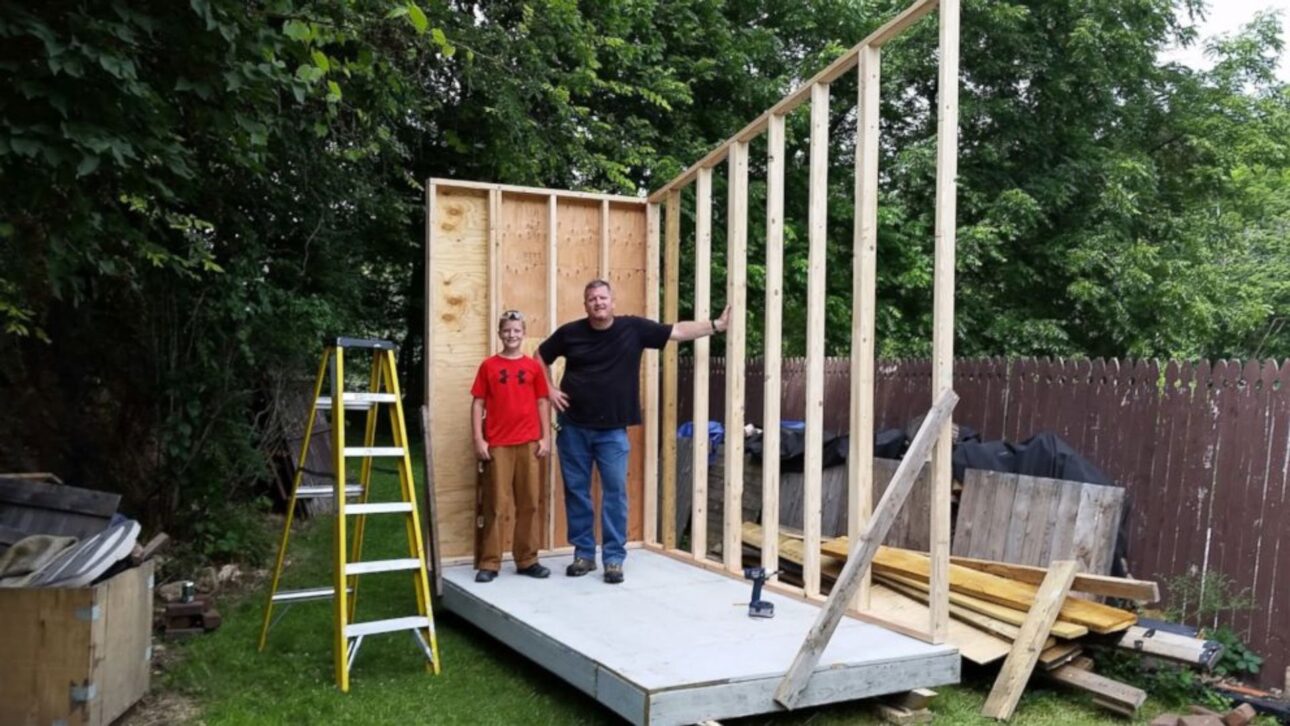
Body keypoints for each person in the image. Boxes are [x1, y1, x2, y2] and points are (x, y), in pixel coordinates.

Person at [539, 279, 730, 584]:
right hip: (573, 427)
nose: (598, 303)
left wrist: (716, 325)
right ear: (585, 304)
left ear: (612, 302)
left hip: (612, 432)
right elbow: (540, 356)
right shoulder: (569, 333)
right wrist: (548, 389)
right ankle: (584, 555)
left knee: (614, 493)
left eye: (602, 298)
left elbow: (677, 331)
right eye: (591, 299)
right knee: (577, 493)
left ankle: (613, 559)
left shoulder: (633, 329)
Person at [470, 310, 551, 583]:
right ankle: (490, 562)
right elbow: (478, 402)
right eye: (507, 330)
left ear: (523, 333)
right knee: (496, 504)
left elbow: (542, 401)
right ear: (499, 333)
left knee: (529, 502)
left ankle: (527, 559)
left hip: (528, 442)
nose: (511, 335)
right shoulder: (489, 366)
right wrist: (479, 439)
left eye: (516, 330)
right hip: (498, 444)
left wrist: (545, 437)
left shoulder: (533, 367)